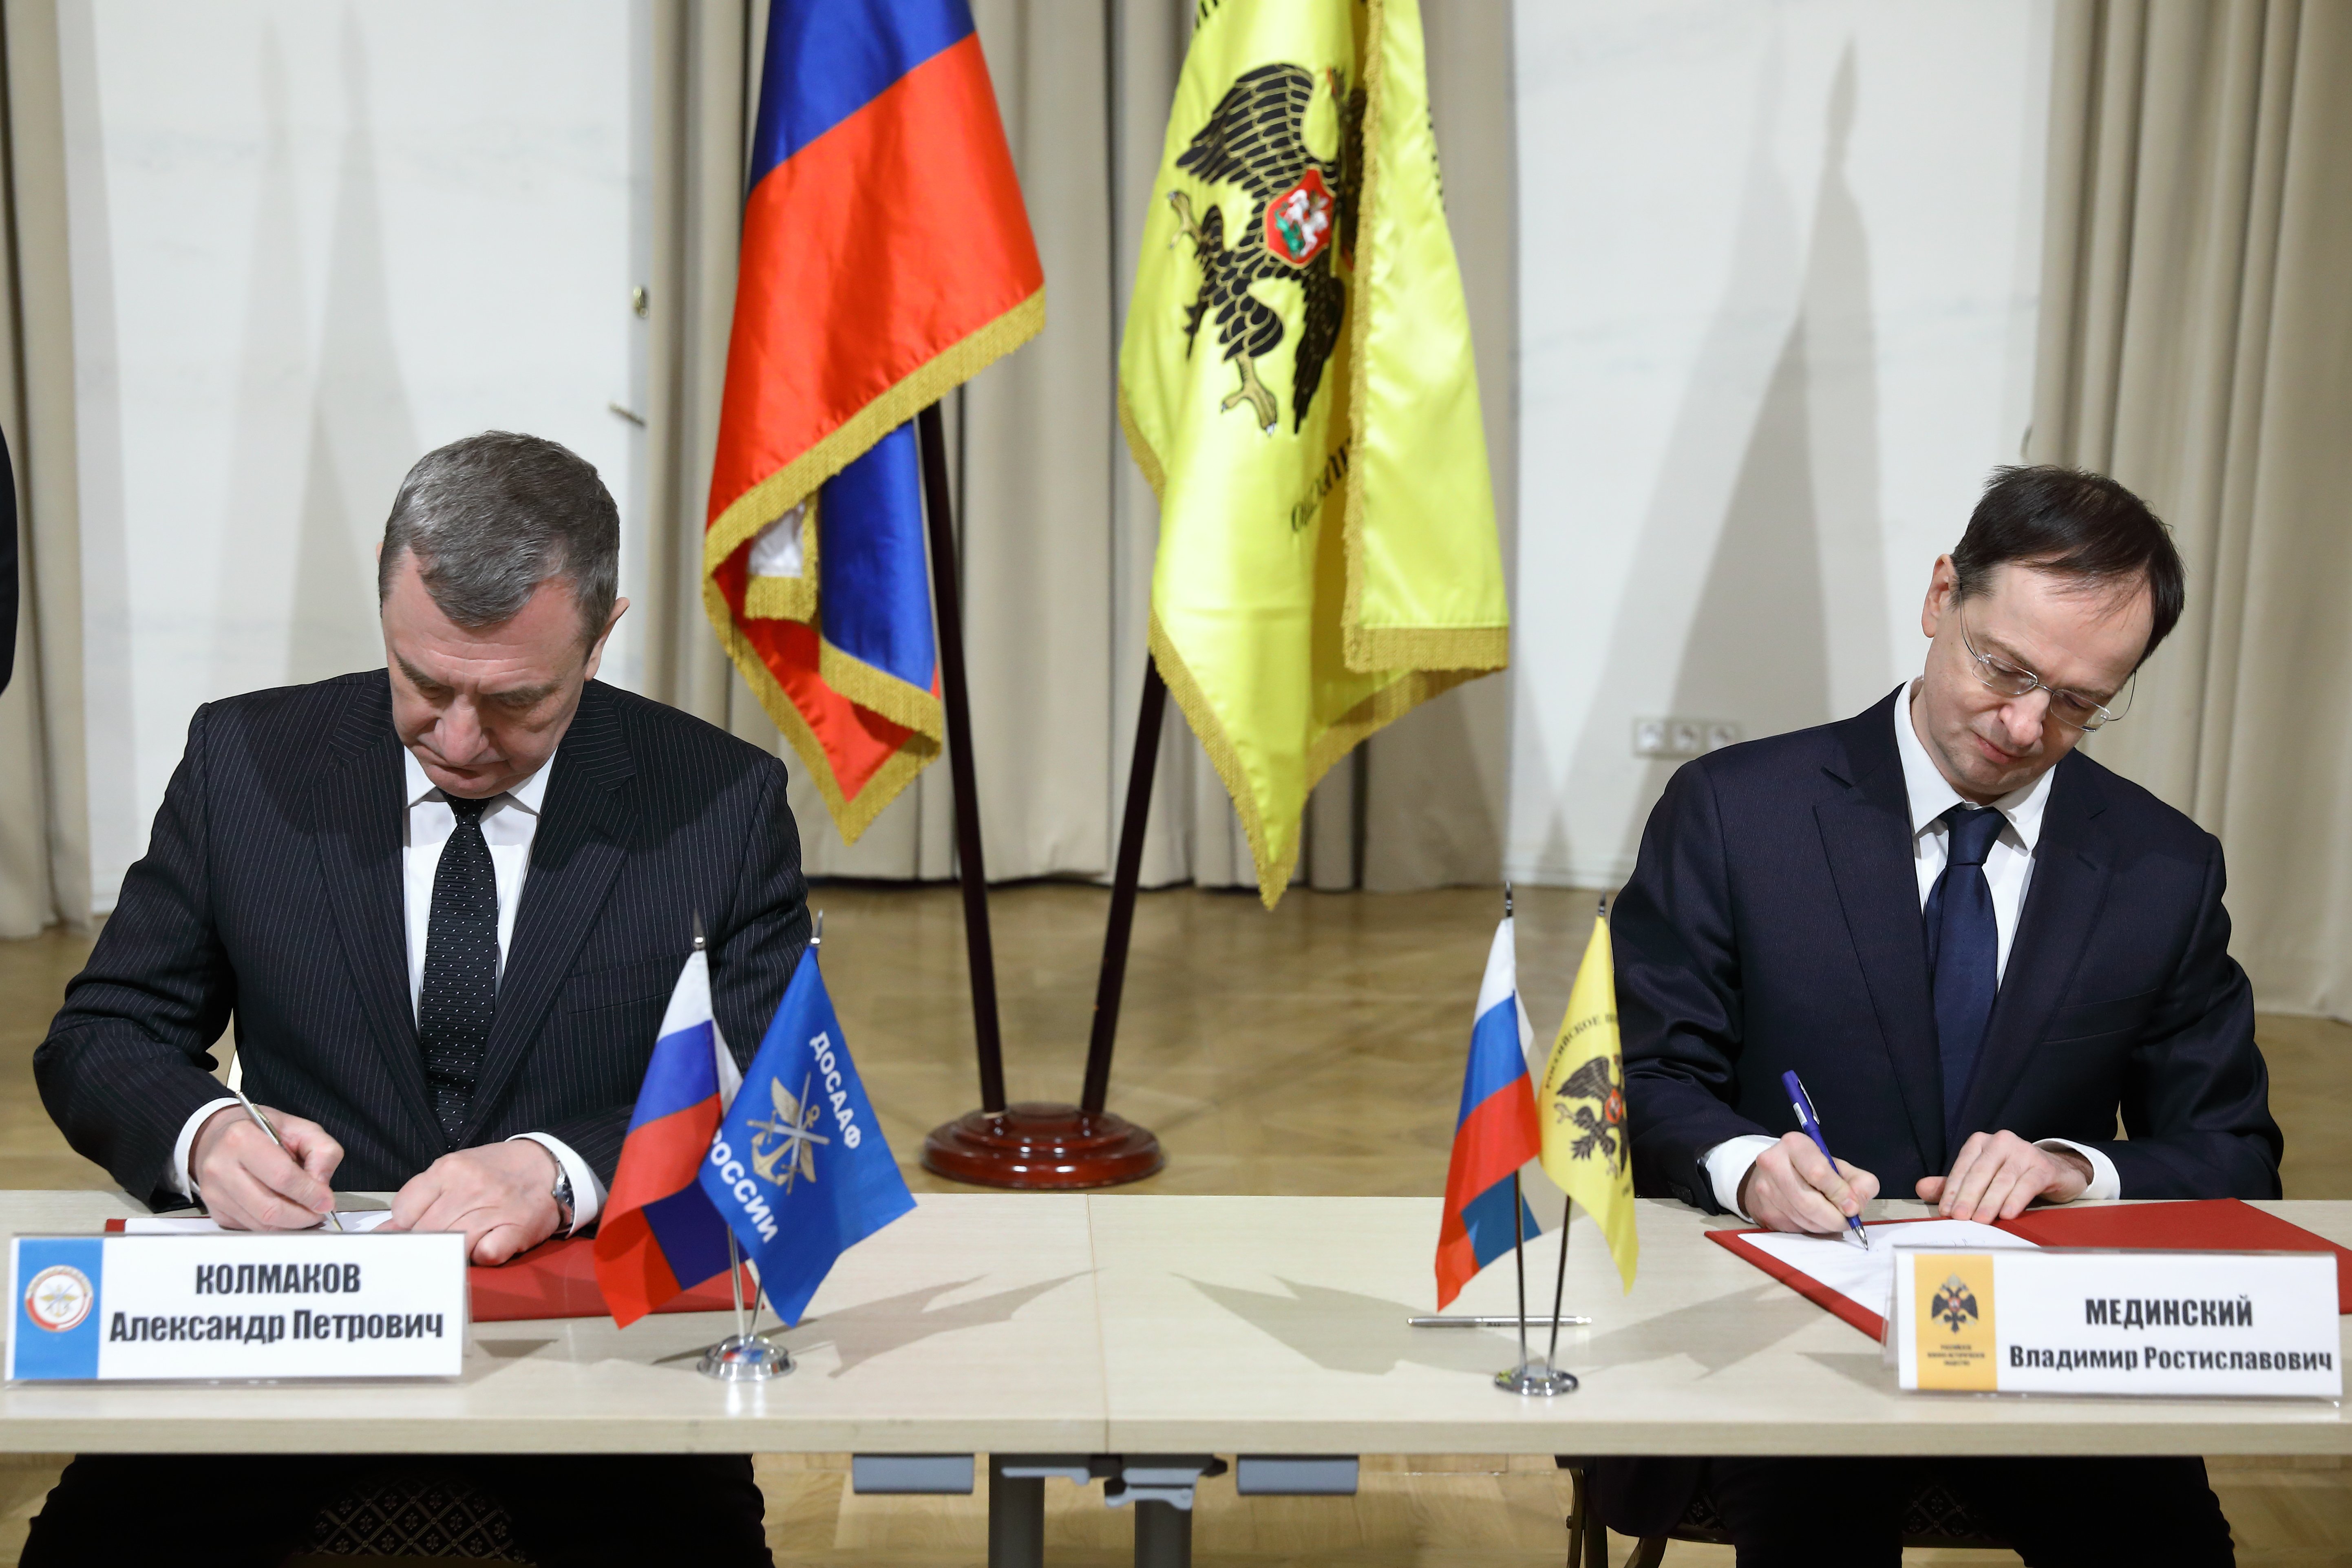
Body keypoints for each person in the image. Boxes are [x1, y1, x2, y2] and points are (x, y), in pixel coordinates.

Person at [29, 432, 804, 1567]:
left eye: (516, 701)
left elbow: (776, 1096)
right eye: (424, 683)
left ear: (601, 636)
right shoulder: (245, 763)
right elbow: (104, 1035)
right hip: (280, 1340)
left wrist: (561, 1170)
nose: (458, 740)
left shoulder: (720, 802)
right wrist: (205, 1136)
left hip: (593, 1361)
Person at [1591, 466, 2277, 1565]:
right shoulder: (1736, 812)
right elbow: (1637, 1079)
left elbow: (2233, 1151)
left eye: (2077, 702)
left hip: (2051, 1341)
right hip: (1789, 1325)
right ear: (1941, 595)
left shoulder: (2163, 868)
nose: (2025, 724)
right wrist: (1749, 1165)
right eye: (2005, 669)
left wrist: (2075, 1168)